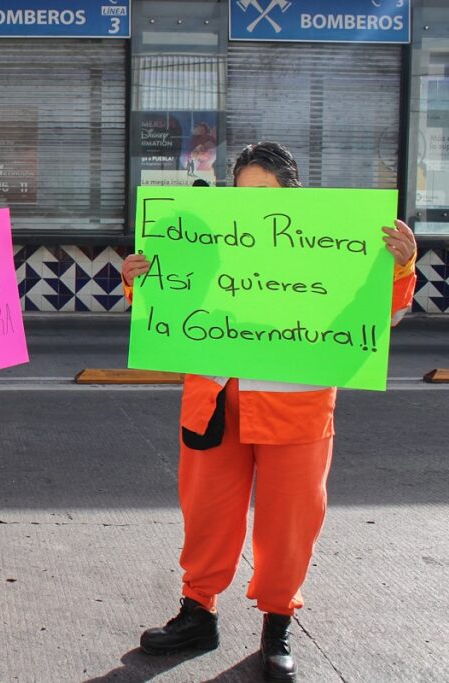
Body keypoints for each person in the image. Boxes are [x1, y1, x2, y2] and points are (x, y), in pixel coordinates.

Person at [122, 141, 417, 682]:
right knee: (207, 514)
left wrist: (399, 270)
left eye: (265, 190)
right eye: (243, 191)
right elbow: (167, 314)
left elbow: (382, 319)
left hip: (297, 406)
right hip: (215, 402)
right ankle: (197, 612)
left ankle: (277, 624)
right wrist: (140, 279)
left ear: (292, 193)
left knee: (290, 523)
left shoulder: (332, 244)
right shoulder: (205, 235)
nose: (253, 201)